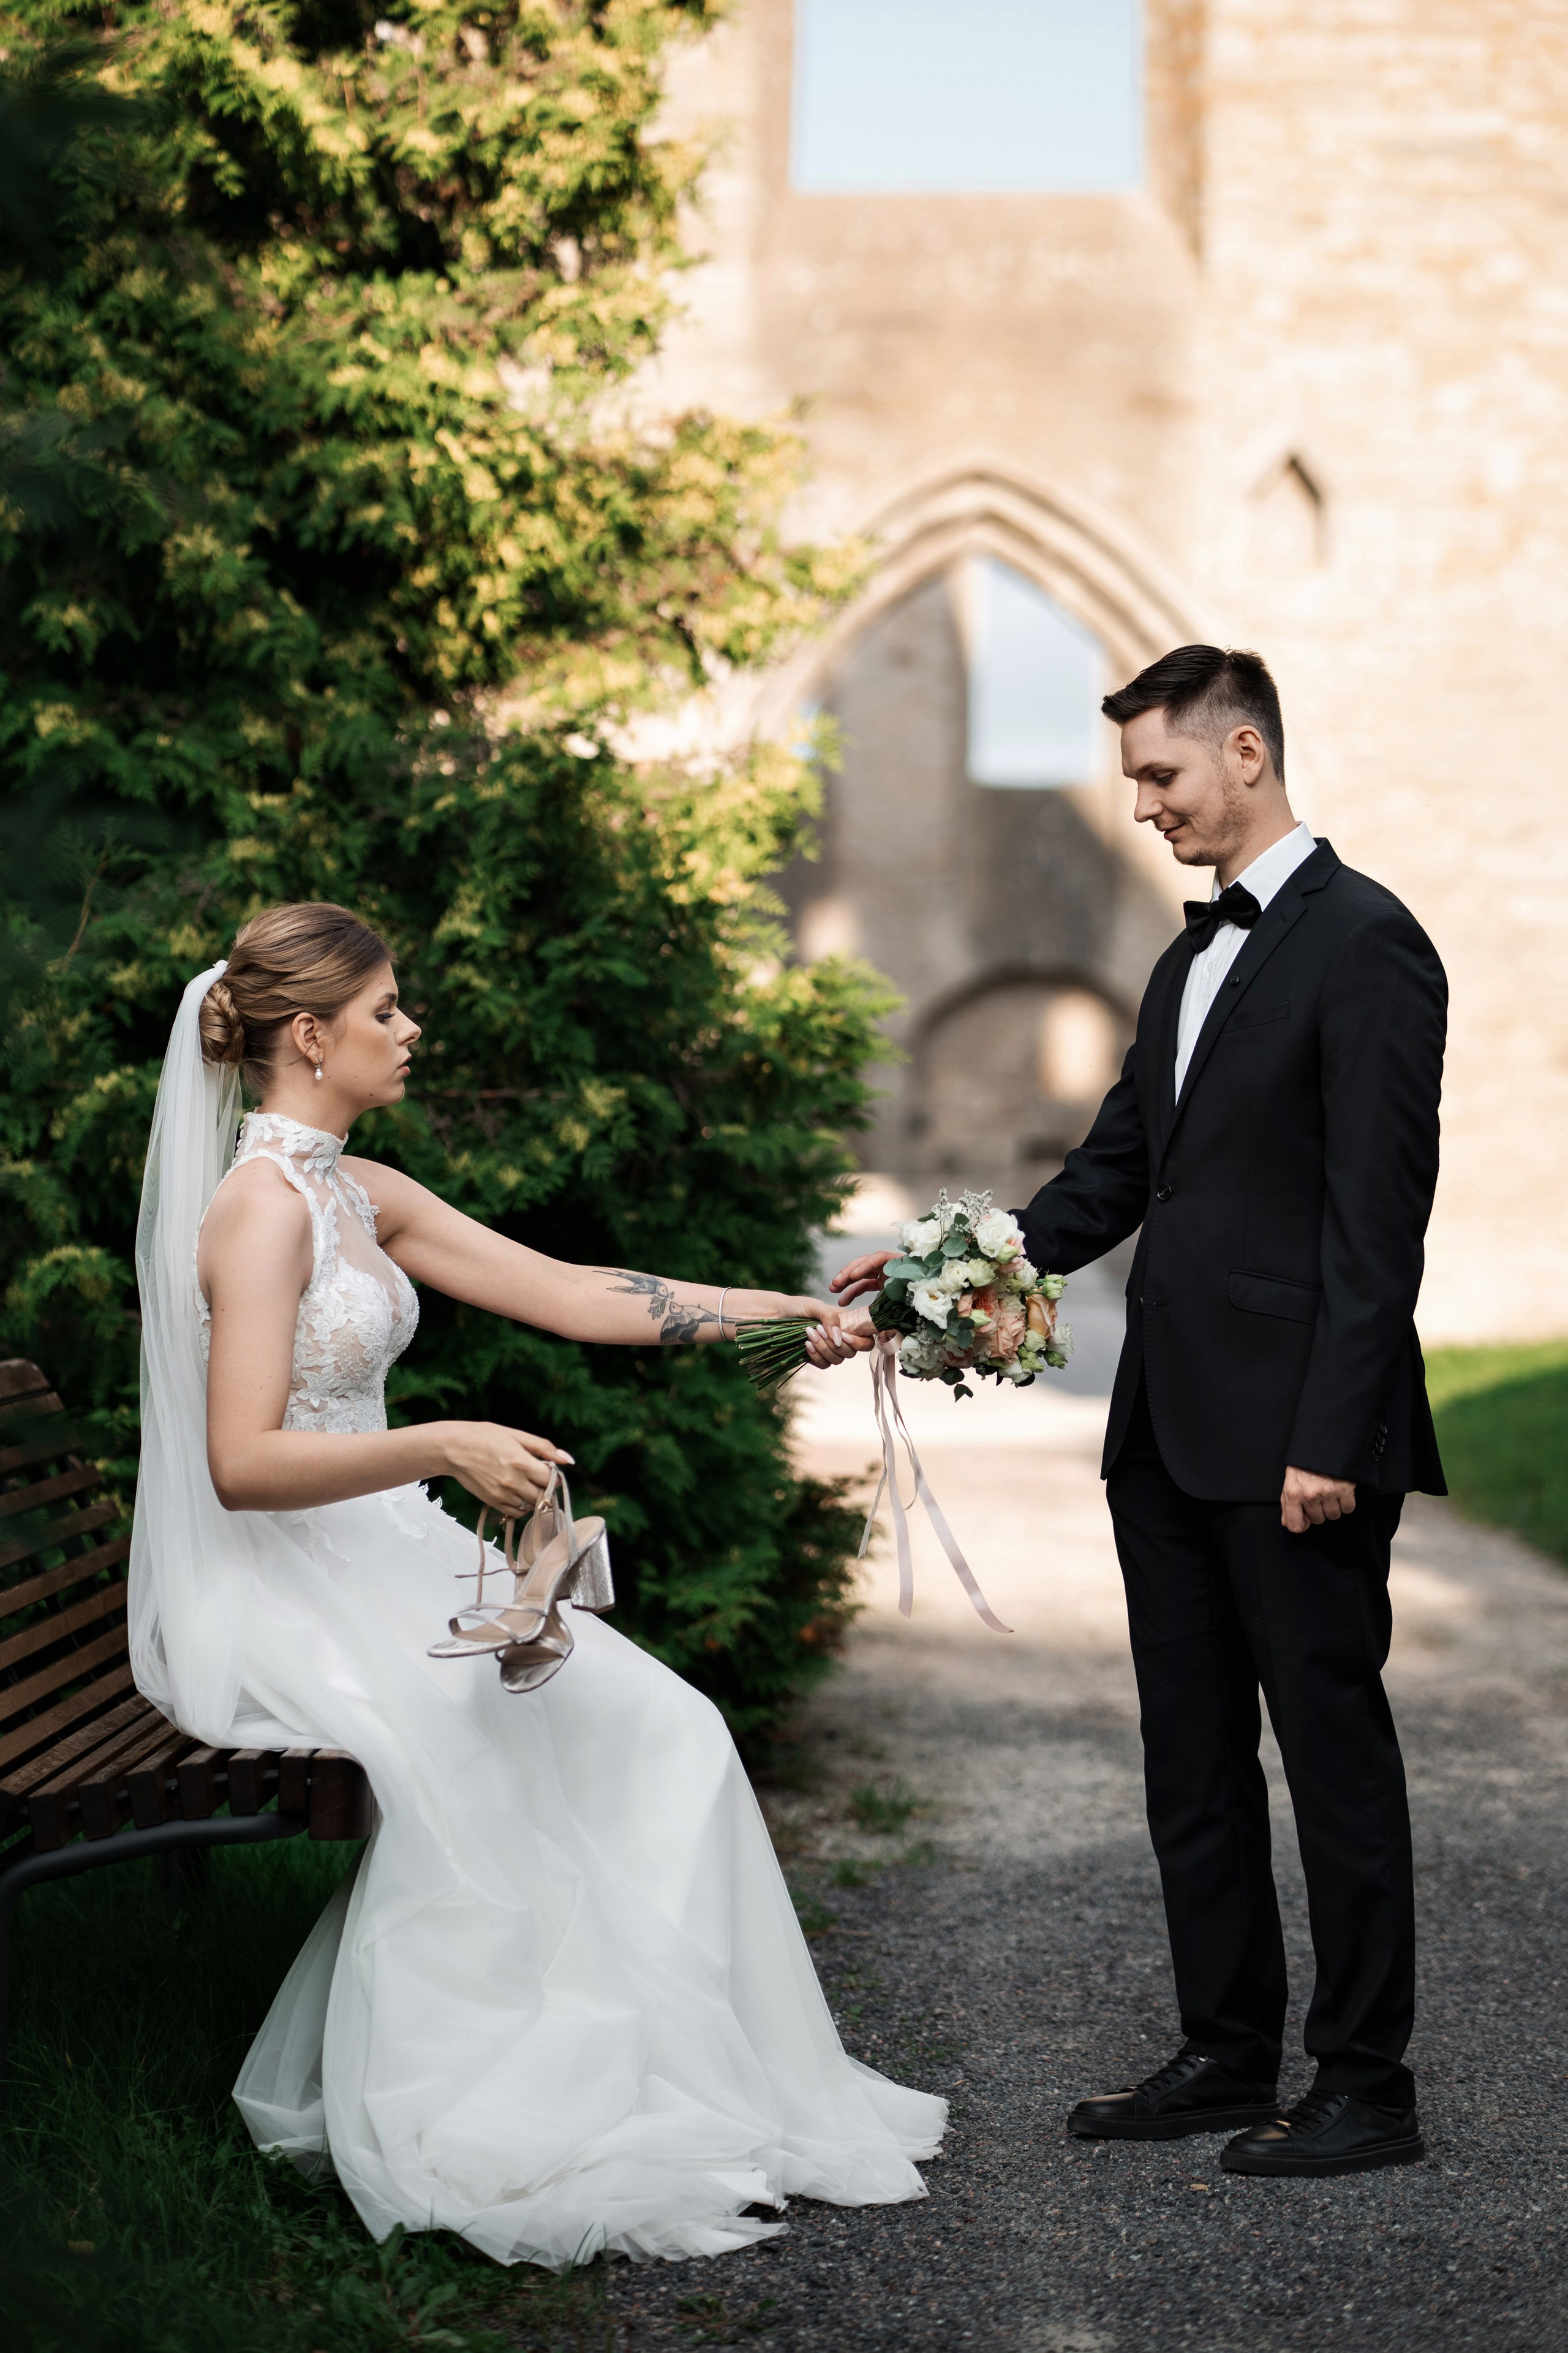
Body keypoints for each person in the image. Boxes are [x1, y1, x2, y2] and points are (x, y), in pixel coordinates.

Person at [130, 900, 941, 2268]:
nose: (410, 1028)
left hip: (388, 1549)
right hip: (287, 1585)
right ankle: (497, 2098)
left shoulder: (356, 1189)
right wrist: (442, 1442)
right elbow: (239, 1463)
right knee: (487, 1745)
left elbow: (572, 1292)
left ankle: (694, 2072)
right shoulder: (257, 1213)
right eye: (385, 1010)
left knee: (669, 1728)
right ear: (311, 1035)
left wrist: (786, 1306)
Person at [834, 646, 1447, 2179]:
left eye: (1160, 776)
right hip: (1166, 1432)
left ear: (1244, 753)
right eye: (1131, 782)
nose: (1143, 808)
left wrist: (1331, 1434)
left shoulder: (1367, 943)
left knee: (1332, 1760)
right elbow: (1114, 1174)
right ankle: (1223, 2047)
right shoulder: (1183, 965)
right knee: (1191, 1758)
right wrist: (926, 1269)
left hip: (1297, 1438)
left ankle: (1367, 2085)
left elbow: (1380, 1222)